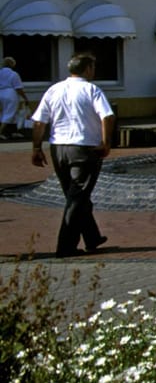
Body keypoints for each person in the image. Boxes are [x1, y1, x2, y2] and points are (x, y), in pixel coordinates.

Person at [29, 53, 116, 258]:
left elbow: (39, 121)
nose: (94, 72)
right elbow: (108, 116)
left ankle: (92, 237)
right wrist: (106, 142)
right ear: (87, 69)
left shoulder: (54, 89)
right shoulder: (91, 89)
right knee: (77, 197)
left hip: (58, 147)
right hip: (84, 147)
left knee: (75, 194)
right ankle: (65, 246)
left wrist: (36, 147)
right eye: (93, 68)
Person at [0, 56, 28, 140]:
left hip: (0, 92)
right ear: (12, 65)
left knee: (4, 113)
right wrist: (25, 98)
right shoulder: (13, 74)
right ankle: (1, 132)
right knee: (10, 113)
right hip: (10, 94)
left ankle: (13, 132)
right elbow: (18, 88)